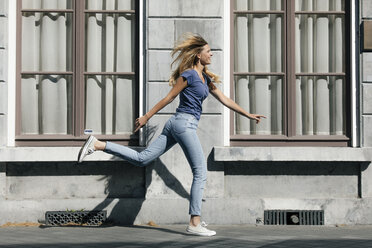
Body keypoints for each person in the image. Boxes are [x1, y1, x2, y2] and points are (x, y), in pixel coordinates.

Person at [77, 33, 265, 236]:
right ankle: (194, 222)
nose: (212, 54)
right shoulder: (190, 75)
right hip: (184, 124)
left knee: (142, 159)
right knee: (200, 172)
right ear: (198, 55)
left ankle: (98, 145)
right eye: (208, 51)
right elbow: (169, 97)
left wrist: (247, 114)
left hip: (177, 125)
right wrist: (147, 116)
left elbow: (224, 99)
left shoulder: (206, 78)